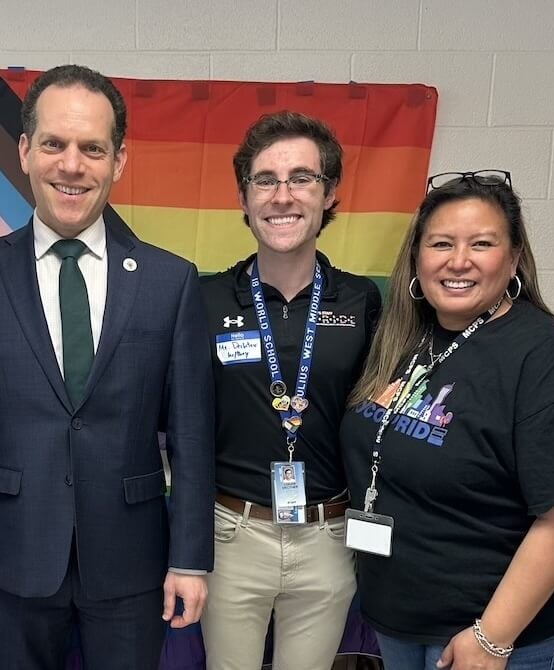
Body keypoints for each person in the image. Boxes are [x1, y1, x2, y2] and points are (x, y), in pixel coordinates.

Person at [0, 64, 215, 670]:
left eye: (93, 148)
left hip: (133, 561)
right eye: (55, 144)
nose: (72, 164)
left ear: (118, 162)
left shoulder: (171, 282)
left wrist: (190, 558)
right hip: (14, 558)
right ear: (26, 151)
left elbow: (192, 435)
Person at [340, 170, 554, 670]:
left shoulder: (544, 358)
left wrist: (492, 638)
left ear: (514, 258)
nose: (458, 261)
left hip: (497, 628)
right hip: (401, 614)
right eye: (441, 243)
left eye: (481, 243)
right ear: (417, 257)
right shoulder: (404, 337)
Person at [199, 111, 381, 670]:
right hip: (230, 533)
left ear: (329, 195)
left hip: (327, 535)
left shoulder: (363, 302)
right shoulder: (204, 299)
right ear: (244, 198)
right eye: (265, 180)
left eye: (302, 178)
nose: (283, 196)